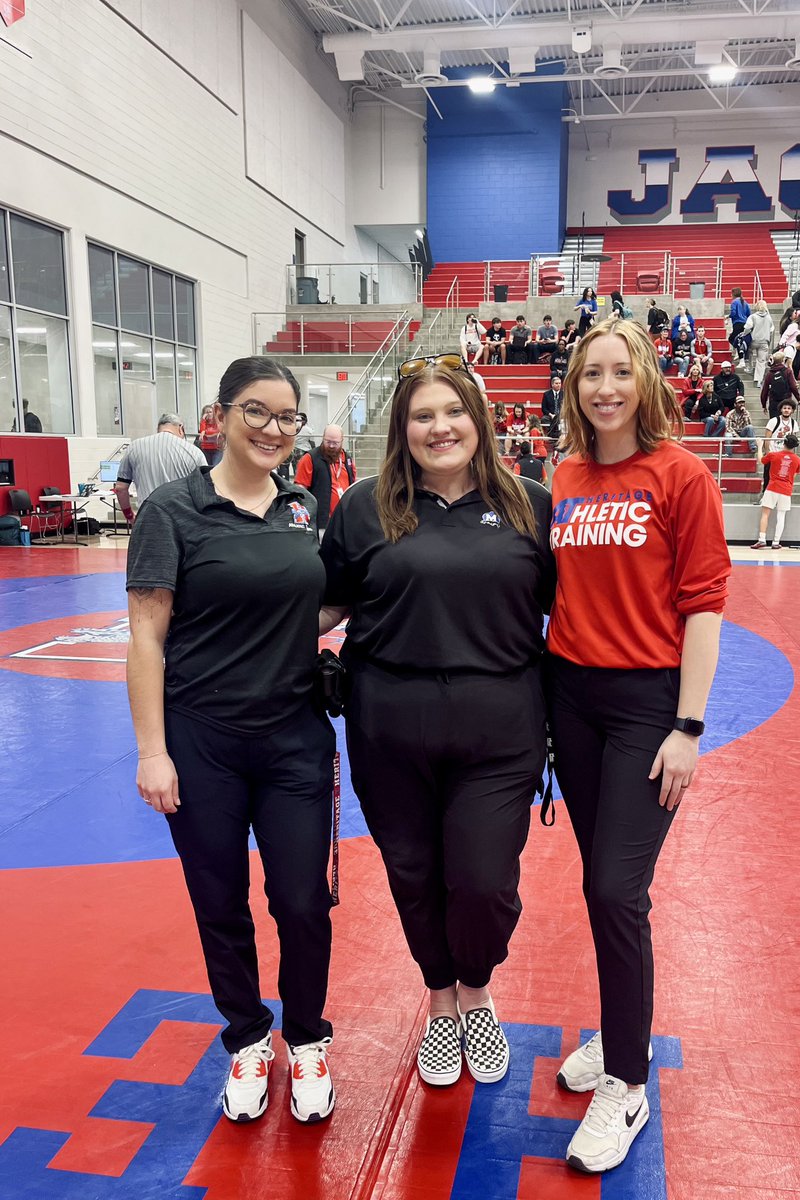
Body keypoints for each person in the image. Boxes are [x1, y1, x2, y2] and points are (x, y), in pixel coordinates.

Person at [319, 353, 554, 1091]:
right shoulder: (363, 504)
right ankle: (440, 998)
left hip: (502, 725)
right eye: (423, 415)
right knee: (414, 873)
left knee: (483, 881)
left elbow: (578, 610)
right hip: (388, 723)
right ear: (403, 427)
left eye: (453, 412)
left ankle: (477, 987)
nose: (440, 427)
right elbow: (326, 604)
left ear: (479, 420)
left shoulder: (530, 502)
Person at [124, 356, 337, 1126]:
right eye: (258, 412)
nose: (275, 430)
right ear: (218, 416)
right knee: (220, 901)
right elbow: (147, 636)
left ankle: (308, 1038)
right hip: (202, 740)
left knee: (305, 901)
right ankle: (248, 1036)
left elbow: (311, 607)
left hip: (293, 741)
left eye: (288, 418)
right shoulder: (172, 511)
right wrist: (153, 750)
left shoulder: (306, 506)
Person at [547, 316, 729, 1175]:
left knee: (618, 890)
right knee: (601, 886)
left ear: (646, 380)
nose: (606, 388)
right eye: (592, 374)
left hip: (646, 704)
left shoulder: (681, 475)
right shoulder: (566, 475)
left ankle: (627, 1081)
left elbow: (703, 606)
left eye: (621, 372)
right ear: (575, 386)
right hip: (571, 699)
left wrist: (688, 727)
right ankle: (621, 1035)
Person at [115, 412, 207, 524]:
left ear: (158, 428)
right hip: (181, 520)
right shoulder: (194, 452)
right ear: (181, 428)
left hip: (147, 519)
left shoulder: (134, 447)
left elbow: (120, 488)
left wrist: (129, 516)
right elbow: (205, 490)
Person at [294, 424, 356, 532]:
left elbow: (353, 486)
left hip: (344, 520)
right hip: (320, 522)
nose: (331, 446)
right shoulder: (310, 458)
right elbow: (300, 490)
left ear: (342, 440)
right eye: (328, 442)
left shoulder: (347, 460)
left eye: (335, 443)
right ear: (323, 438)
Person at [751, 434, 800, 549]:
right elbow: (795, 474)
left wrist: (760, 446)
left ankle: (762, 539)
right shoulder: (797, 459)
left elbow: (760, 461)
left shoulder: (774, 455)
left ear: (784, 443)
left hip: (773, 487)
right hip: (786, 489)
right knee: (781, 516)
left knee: (765, 514)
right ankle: (776, 542)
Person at [758, 399, 799, 496]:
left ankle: (779, 496)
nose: (786, 410)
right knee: (768, 477)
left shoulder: (794, 423)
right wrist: (767, 451)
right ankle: (765, 496)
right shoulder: (773, 421)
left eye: (789, 408)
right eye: (784, 408)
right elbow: (767, 437)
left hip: (785, 455)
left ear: (792, 411)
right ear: (781, 409)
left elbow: (793, 439)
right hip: (773, 453)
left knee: (782, 478)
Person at [743, 300, 775, 387]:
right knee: (761, 361)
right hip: (764, 341)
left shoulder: (752, 316)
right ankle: (758, 380)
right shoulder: (769, 318)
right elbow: (772, 331)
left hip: (753, 340)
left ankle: (749, 367)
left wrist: (745, 334)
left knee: (748, 352)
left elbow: (747, 327)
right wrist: (769, 341)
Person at [760, 352, 800, 418]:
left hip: (773, 402)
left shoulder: (769, 374)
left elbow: (765, 391)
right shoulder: (788, 371)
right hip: (786, 402)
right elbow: (793, 386)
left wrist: (764, 405)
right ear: (783, 360)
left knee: (774, 424)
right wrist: (798, 399)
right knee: (785, 423)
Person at [727, 288, 751, 364]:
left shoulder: (734, 302)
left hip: (737, 323)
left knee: (732, 339)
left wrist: (728, 316)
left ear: (734, 294)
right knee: (740, 339)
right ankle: (740, 352)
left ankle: (739, 352)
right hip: (744, 324)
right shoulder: (745, 302)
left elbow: (733, 313)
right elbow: (749, 314)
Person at [541, 375, 564, 440]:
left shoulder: (564, 394)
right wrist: (551, 415)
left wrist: (560, 415)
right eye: (556, 383)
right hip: (550, 416)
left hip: (561, 415)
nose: (558, 385)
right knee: (544, 419)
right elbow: (544, 408)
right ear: (552, 384)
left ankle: (556, 435)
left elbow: (567, 407)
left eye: (559, 383)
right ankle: (553, 434)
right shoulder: (546, 394)